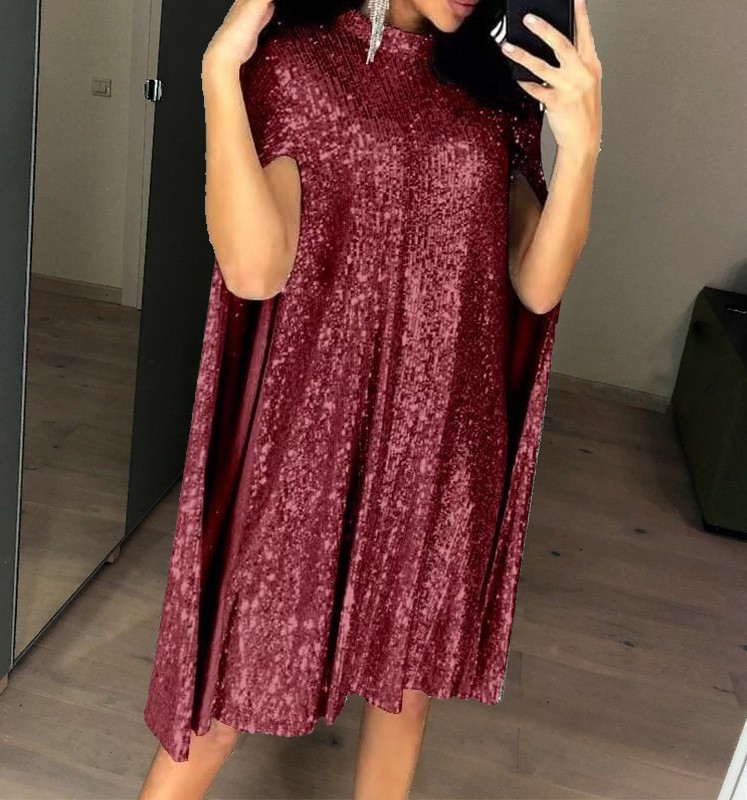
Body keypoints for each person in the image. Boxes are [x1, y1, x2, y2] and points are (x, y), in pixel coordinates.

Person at [138, 0, 601, 797]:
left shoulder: (493, 101)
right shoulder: (299, 70)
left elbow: (537, 283)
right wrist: (218, 73)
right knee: (223, 704)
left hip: (446, 445)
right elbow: (254, 268)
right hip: (310, 444)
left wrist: (583, 148)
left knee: (404, 694)